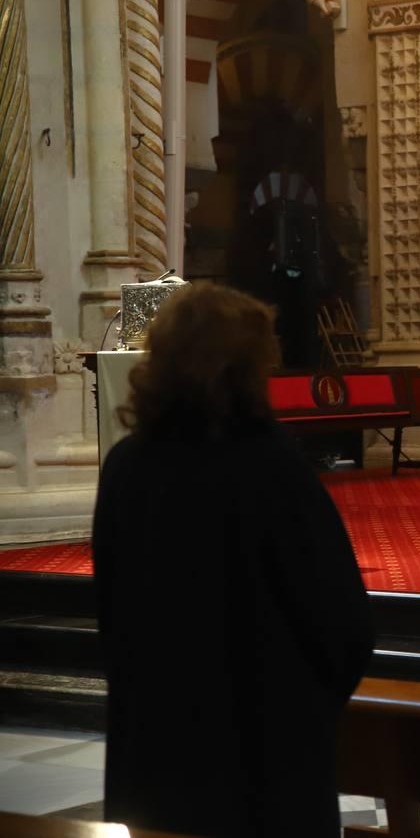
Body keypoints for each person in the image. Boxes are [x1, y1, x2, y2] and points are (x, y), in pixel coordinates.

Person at [93, 284, 374, 838]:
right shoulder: (271, 468)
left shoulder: (127, 466)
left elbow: (112, 609)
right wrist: (303, 710)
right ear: (246, 367)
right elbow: (342, 623)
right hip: (264, 758)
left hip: (155, 751)